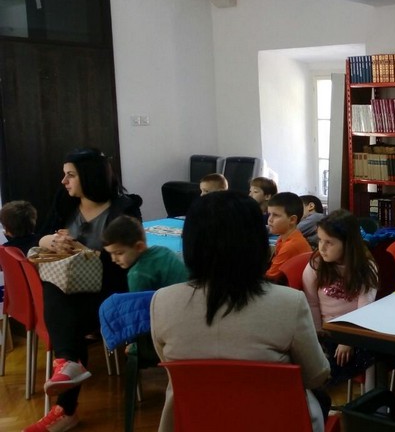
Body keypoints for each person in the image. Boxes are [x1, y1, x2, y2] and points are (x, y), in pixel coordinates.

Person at [150, 191, 330, 432]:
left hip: (194, 421)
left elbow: (172, 368)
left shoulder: (162, 302)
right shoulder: (289, 303)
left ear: (191, 244)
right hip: (274, 422)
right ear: (256, 243)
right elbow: (316, 375)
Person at [27, 147, 142, 432]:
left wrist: (85, 252)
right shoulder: (65, 202)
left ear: (89, 177)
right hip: (72, 295)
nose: (64, 181)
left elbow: (128, 261)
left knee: (63, 307)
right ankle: (68, 370)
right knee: (59, 294)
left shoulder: (124, 208)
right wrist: (51, 241)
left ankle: (66, 397)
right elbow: (37, 236)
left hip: (110, 292)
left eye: (70, 175)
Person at [301, 209, 378, 387]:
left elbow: (364, 309)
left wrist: (348, 340)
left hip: (355, 329)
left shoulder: (366, 268)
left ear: (347, 244)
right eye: (320, 240)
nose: (322, 248)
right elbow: (311, 304)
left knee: (374, 352)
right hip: (326, 330)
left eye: (329, 242)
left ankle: (371, 395)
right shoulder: (316, 264)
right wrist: (317, 338)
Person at [101, 215, 188, 292]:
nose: (113, 259)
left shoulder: (138, 274)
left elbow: (140, 303)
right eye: (111, 254)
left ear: (139, 247)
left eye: (119, 253)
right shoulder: (162, 250)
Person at [265, 192, 312, 281]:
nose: (270, 219)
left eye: (276, 215)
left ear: (292, 220)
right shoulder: (284, 238)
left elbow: (270, 277)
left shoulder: (291, 245)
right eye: (269, 214)